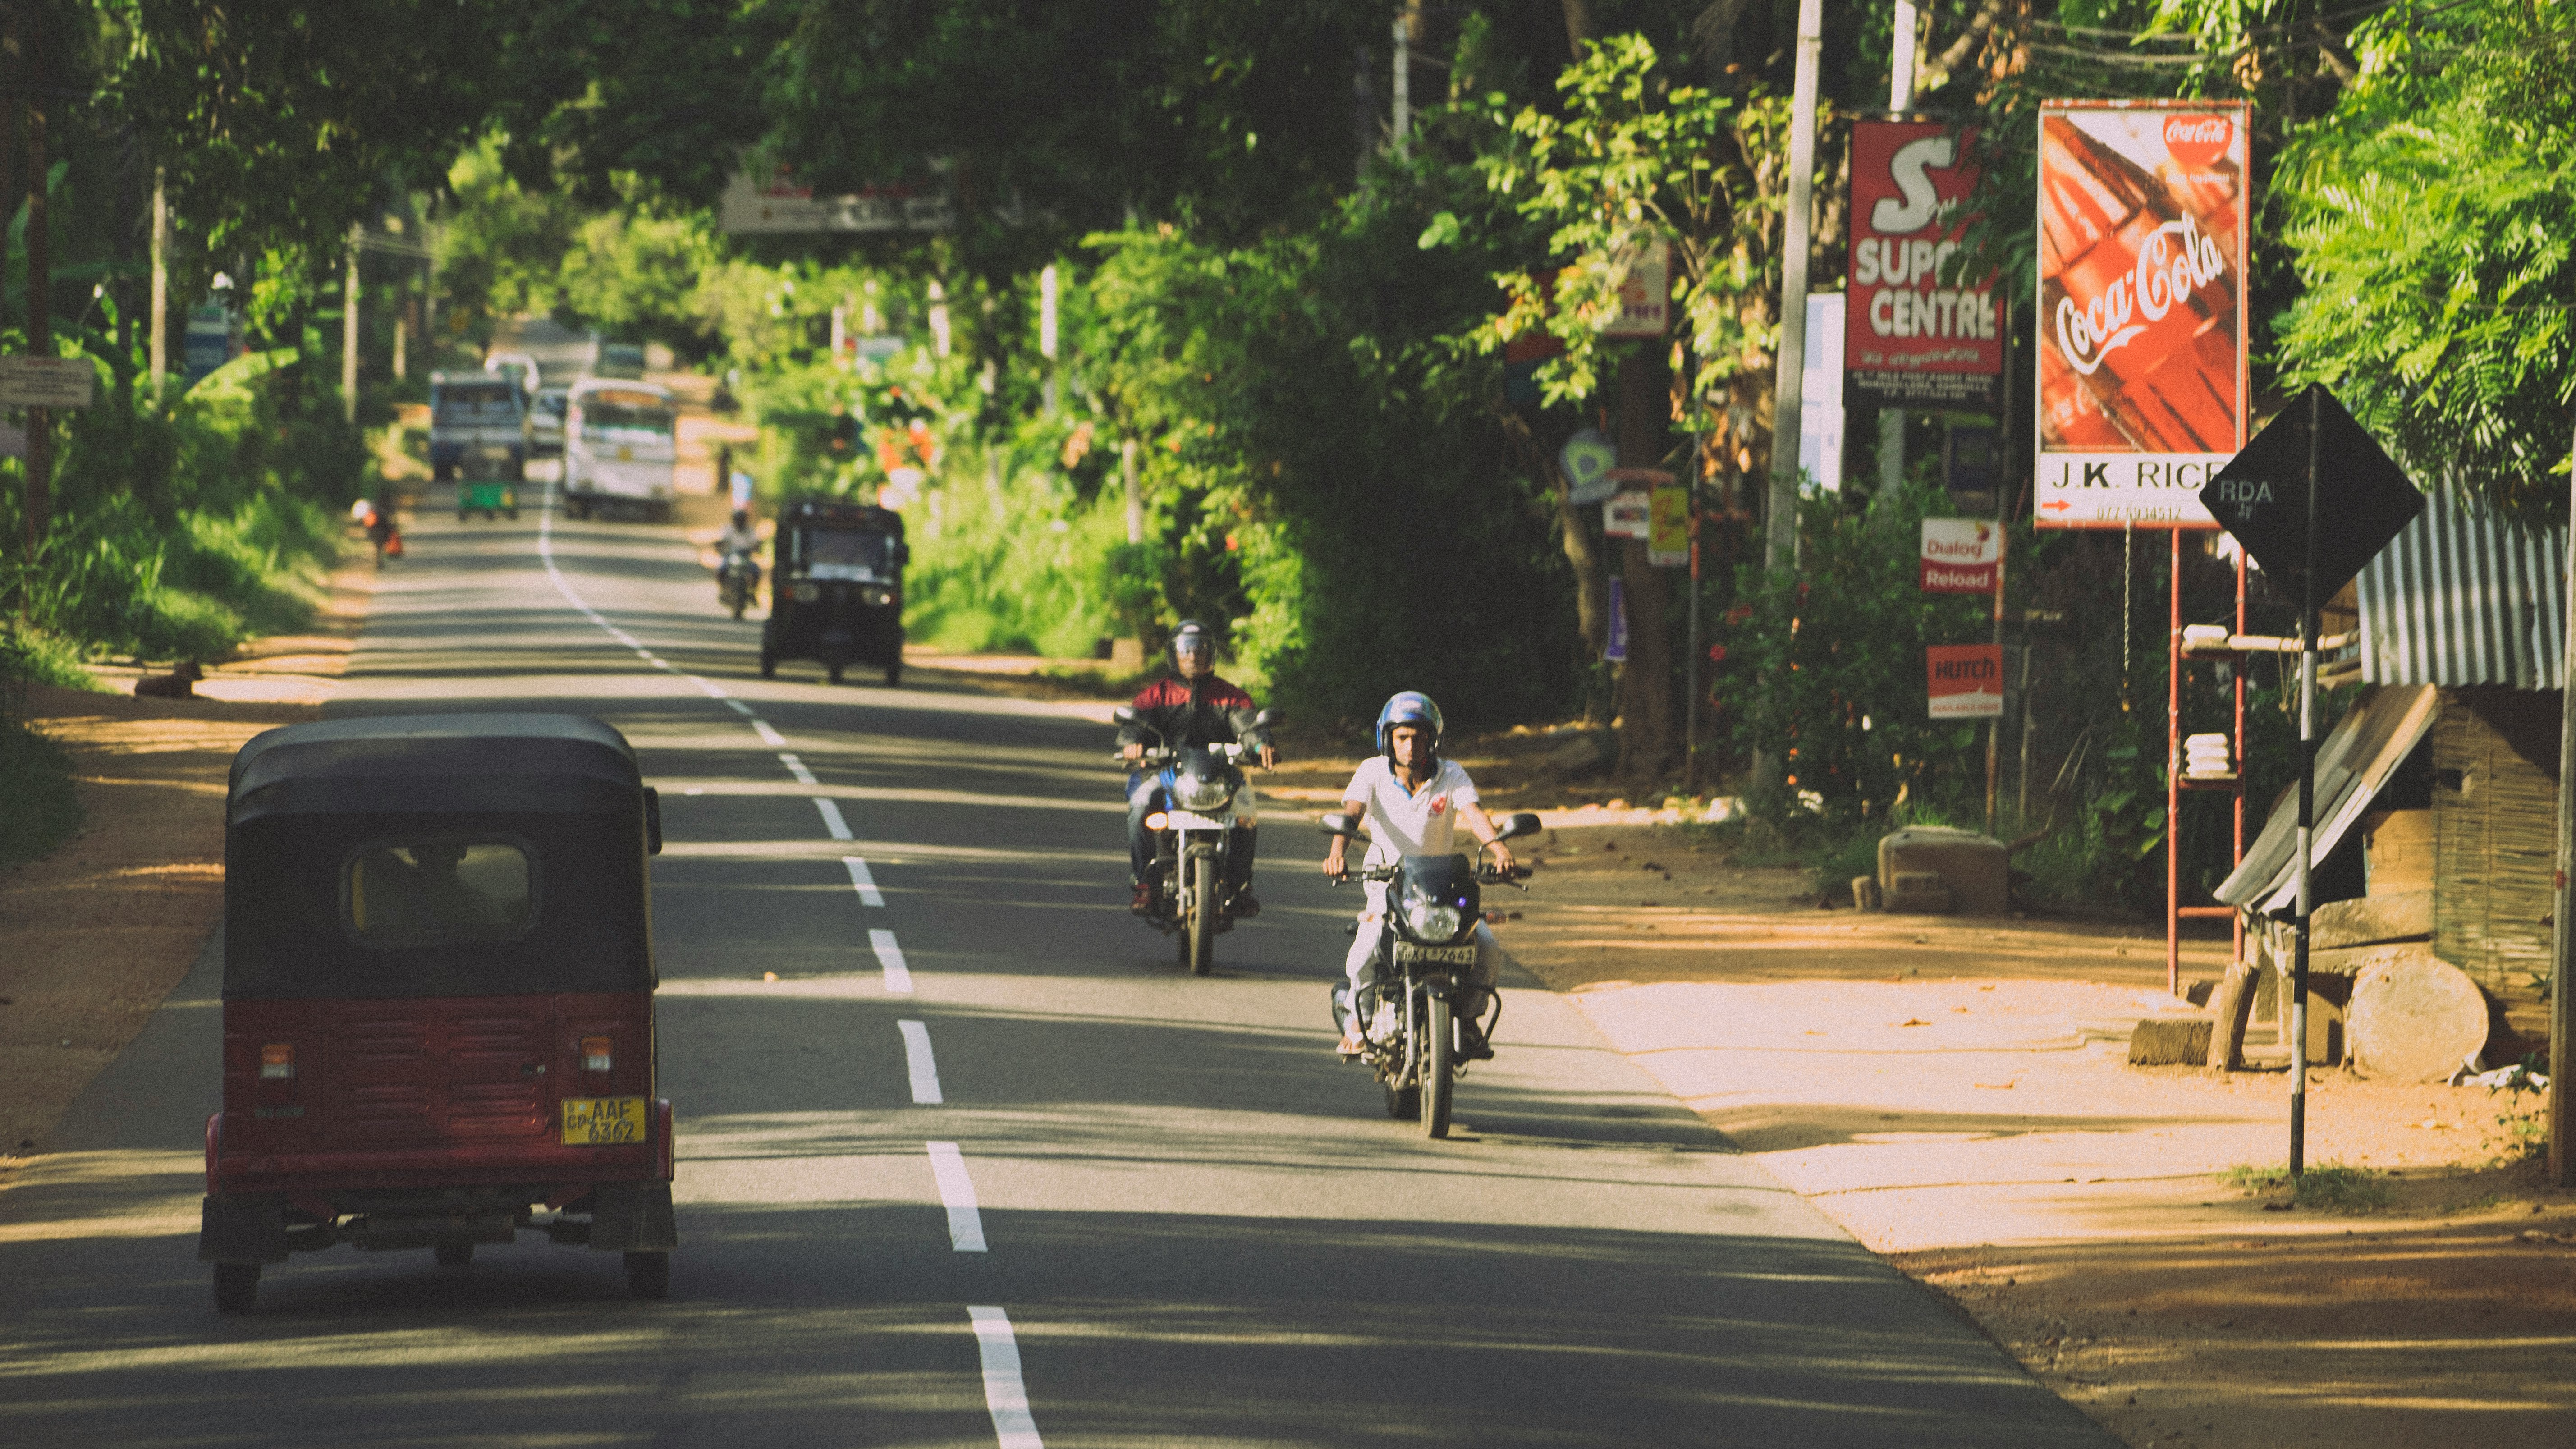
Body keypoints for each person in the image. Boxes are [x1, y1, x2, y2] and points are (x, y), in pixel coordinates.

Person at [1322, 691, 1515, 1058]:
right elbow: (1351, 815)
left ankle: (1470, 1020)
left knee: (1488, 949)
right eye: (1402, 738)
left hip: (1442, 889)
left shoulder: (1451, 774)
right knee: (1364, 953)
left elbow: (1474, 814)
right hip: (1388, 889)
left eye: (1419, 737)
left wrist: (1501, 851)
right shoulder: (1372, 772)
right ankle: (1357, 1022)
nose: (1411, 746)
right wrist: (1336, 853)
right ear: (1388, 739)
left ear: (1434, 738)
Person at [1117, 620, 1274, 917]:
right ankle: (1145, 884)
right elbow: (1133, 724)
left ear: (1210, 654)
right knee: (1139, 804)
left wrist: (1260, 744)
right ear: (1174, 654)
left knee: (1246, 818)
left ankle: (1241, 887)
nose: (1192, 656)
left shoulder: (1230, 696)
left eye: (1199, 649)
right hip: (1165, 773)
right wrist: (1132, 741)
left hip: (1222, 775)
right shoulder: (1156, 695)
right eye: (1186, 649)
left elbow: (1249, 727)